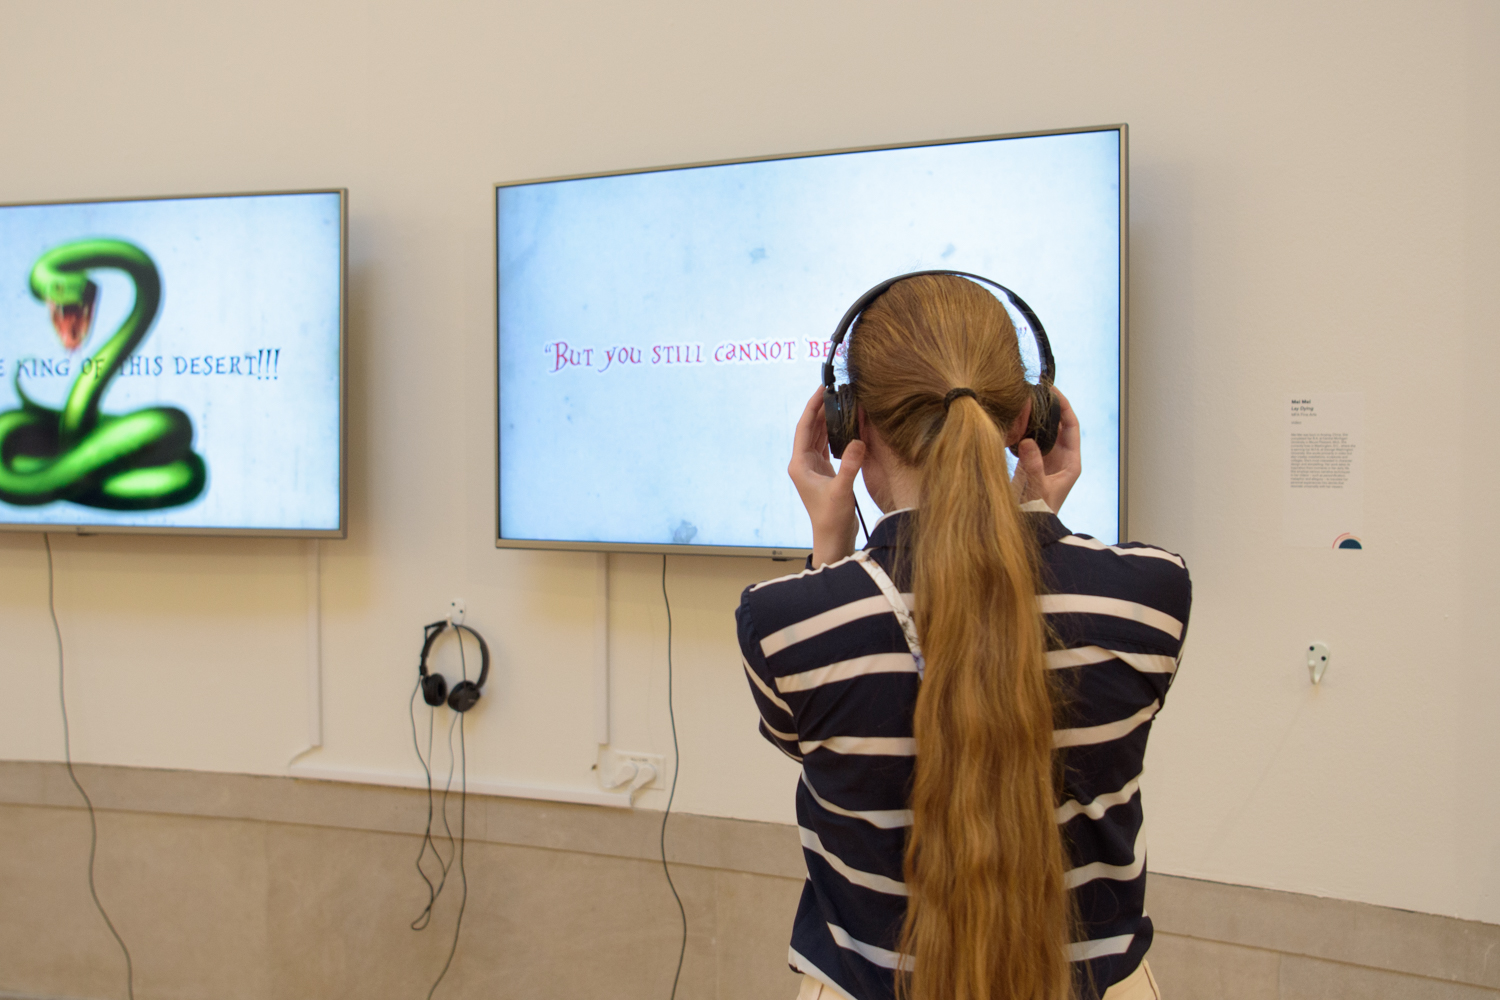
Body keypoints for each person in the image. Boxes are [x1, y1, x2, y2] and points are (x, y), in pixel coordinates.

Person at [735, 275, 1191, 1000]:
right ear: (1027, 419)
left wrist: (827, 557)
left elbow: (812, 744)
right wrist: (1039, 519)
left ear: (852, 425)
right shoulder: (1152, 594)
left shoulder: (785, 624)